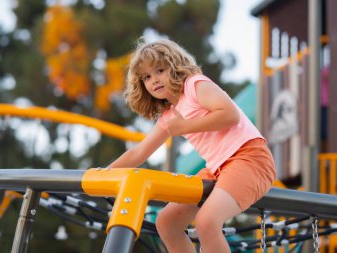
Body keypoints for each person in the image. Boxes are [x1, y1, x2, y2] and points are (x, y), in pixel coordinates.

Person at [108, 38, 276, 253]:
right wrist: (103, 174)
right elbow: (140, 152)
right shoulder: (169, 115)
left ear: (175, 67)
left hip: (249, 157)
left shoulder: (195, 85)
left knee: (206, 222)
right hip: (217, 169)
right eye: (147, 77)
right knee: (166, 222)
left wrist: (185, 126)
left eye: (160, 70)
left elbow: (230, 115)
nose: (154, 80)